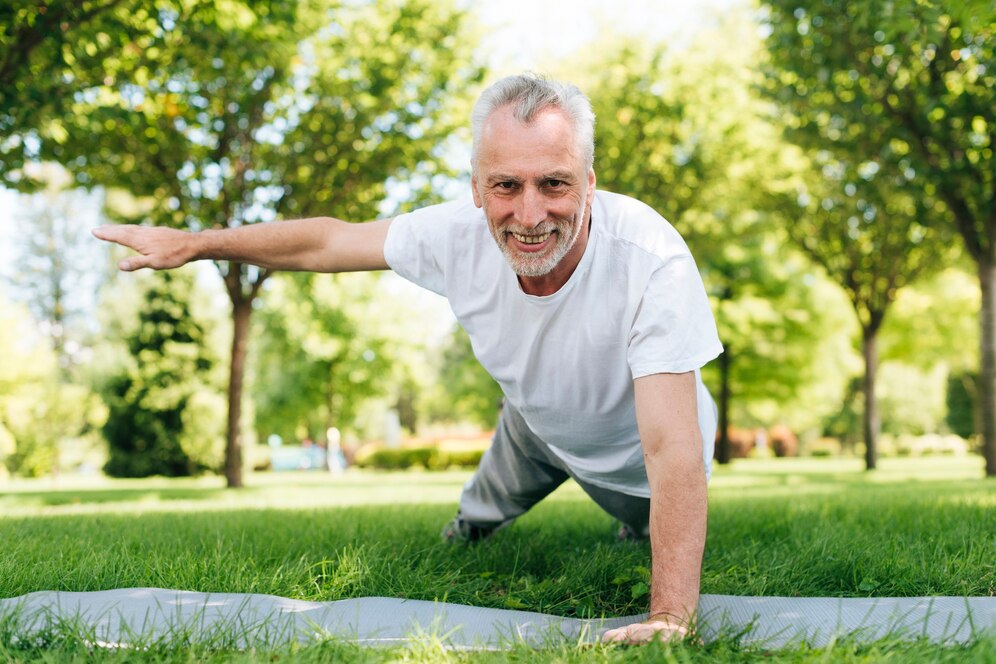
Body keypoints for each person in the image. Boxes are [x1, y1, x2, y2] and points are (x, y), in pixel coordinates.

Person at [93, 74, 723, 644]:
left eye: (553, 183)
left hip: (635, 463)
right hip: (534, 424)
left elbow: (671, 450)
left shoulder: (650, 258)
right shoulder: (452, 235)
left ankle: (630, 527)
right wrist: (199, 243)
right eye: (506, 185)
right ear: (476, 188)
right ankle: (471, 526)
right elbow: (329, 240)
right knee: (477, 513)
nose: (530, 215)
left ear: (588, 183)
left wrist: (669, 615)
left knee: (642, 524)